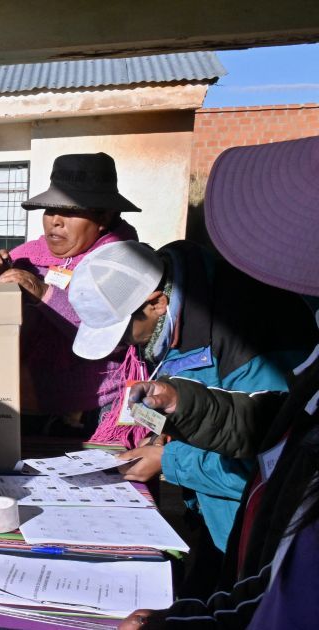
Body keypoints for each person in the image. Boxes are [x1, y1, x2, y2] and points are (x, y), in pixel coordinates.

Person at [114, 136, 319, 628]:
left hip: (245, 542)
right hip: (231, 538)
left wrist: (174, 458)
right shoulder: (190, 325)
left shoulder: (242, 330)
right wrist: (181, 404)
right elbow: (261, 425)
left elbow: (264, 461)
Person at [68, 239, 317, 595]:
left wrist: (170, 461)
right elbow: (213, 413)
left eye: (123, 333)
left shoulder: (244, 336)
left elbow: (273, 468)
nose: (125, 346)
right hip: (214, 518)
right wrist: (168, 431)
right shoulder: (174, 319)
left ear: (156, 303)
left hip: (260, 537)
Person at [0, 152, 143, 445]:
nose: (55, 222)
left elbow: (113, 336)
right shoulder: (28, 255)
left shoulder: (125, 264)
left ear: (103, 216)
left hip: (93, 408)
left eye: (70, 211)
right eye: (49, 210)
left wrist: (43, 293)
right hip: (26, 401)